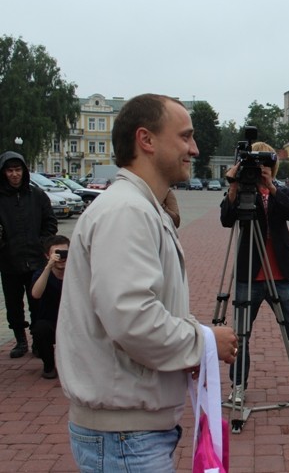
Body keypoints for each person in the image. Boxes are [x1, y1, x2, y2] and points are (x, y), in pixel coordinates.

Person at [56, 94, 238, 472]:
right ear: (146, 140)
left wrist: (187, 349)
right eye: (185, 136)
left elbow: (143, 309)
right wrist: (202, 342)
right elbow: (133, 319)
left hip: (129, 432)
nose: (194, 148)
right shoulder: (127, 211)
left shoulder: (140, 208)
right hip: (125, 436)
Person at [221, 143, 289, 409]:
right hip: (249, 273)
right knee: (241, 335)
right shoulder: (243, 190)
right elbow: (226, 219)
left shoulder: (283, 189)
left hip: (279, 274)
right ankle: (238, 386)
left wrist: (270, 186)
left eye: (265, 165)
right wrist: (233, 186)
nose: (260, 170)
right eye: (256, 166)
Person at [0, 151, 57, 359]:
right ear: (4, 173)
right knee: (13, 304)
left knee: (37, 303)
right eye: (10, 171)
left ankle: (37, 341)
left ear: (24, 171)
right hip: (9, 261)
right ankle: (20, 340)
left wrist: (42, 244)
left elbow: (50, 222)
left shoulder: (37, 195)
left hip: (36, 260)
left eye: (18, 170)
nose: (14, 174)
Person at [30, 235, 69, 379]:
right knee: (40, 329)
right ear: (47, 255)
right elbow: (36, 294)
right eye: (57, 253)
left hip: (73, 322)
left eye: (65, 252)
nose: (62, 257)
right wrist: (49, 267)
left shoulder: (77, 272)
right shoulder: (42, 273)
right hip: (50, 322)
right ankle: (49, 365)